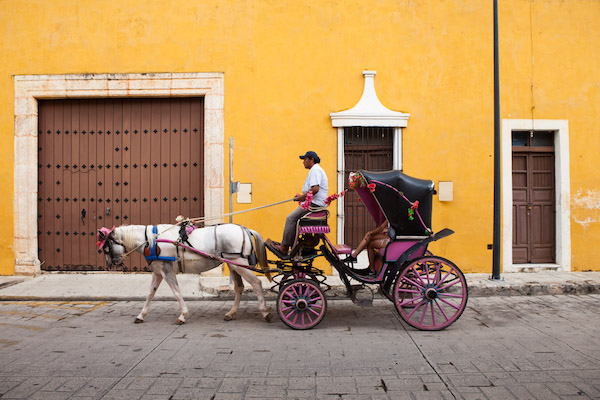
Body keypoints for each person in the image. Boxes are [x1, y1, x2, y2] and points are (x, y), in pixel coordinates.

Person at [270, 151, 328, 255]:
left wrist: (302, 197)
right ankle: (291, 245)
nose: (303, 162)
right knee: (292, 219)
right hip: (314, 203)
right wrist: (302, 198)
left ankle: (284, 247)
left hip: (314, 205)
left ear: (312, 160)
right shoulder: (316, 170)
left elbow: (315, 189)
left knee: (290, 218)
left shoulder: (315, 170)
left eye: (305, 159)